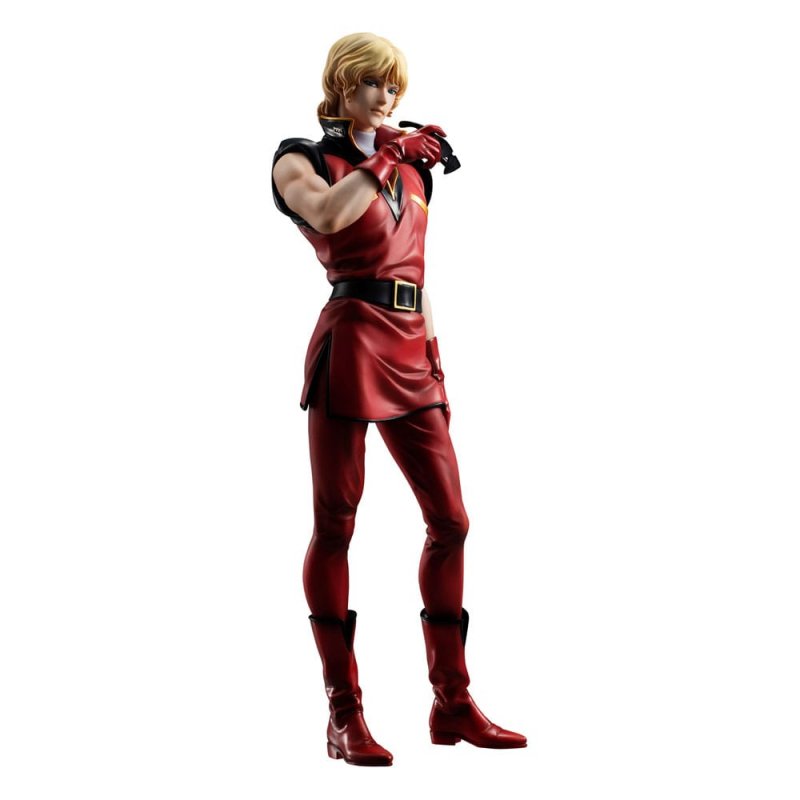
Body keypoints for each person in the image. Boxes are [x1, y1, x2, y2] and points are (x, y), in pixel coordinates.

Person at [271, 32, 526, 766]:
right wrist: (386, 155)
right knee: (336, 522)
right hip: (351, 340)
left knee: (451, 520)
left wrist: (437, 360)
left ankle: (452, 702)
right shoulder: (301, 158)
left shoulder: (415, 169)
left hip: (413, 344)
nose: (386, 98)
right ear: (341, 85)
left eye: (393, 86)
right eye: (372, 84)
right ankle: (343, 714)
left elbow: (414, 269)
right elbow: (328, 215)